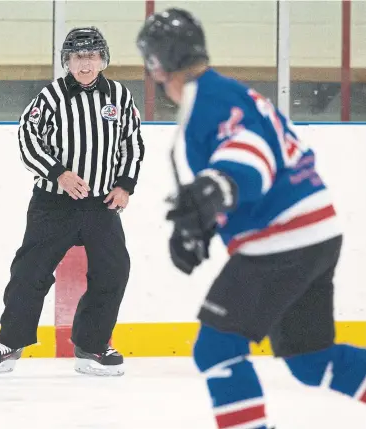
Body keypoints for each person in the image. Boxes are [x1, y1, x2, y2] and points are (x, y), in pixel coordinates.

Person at [136, 8, 366, 429]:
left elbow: (249, 154)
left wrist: (217, 188)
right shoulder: (222, 92)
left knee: (215, 349)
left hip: (283, 242)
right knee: (310, 360)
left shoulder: (208, 100)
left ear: (158, 63)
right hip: (314, 233)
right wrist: (201, 223)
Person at [0, 26, 145, 376]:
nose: (85, 64)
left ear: (103, 59)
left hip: (102, 204)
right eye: (77, 57)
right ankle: (10, 341)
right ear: (67, 61)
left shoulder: (119, 96)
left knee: (113, 271)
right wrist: (59, 173)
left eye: (92, 56)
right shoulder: (51, 96)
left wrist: (126, 184)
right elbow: (28, 137)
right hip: (54, 204)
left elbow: (132, 142)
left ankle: (93, 347)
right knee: (30, 271)